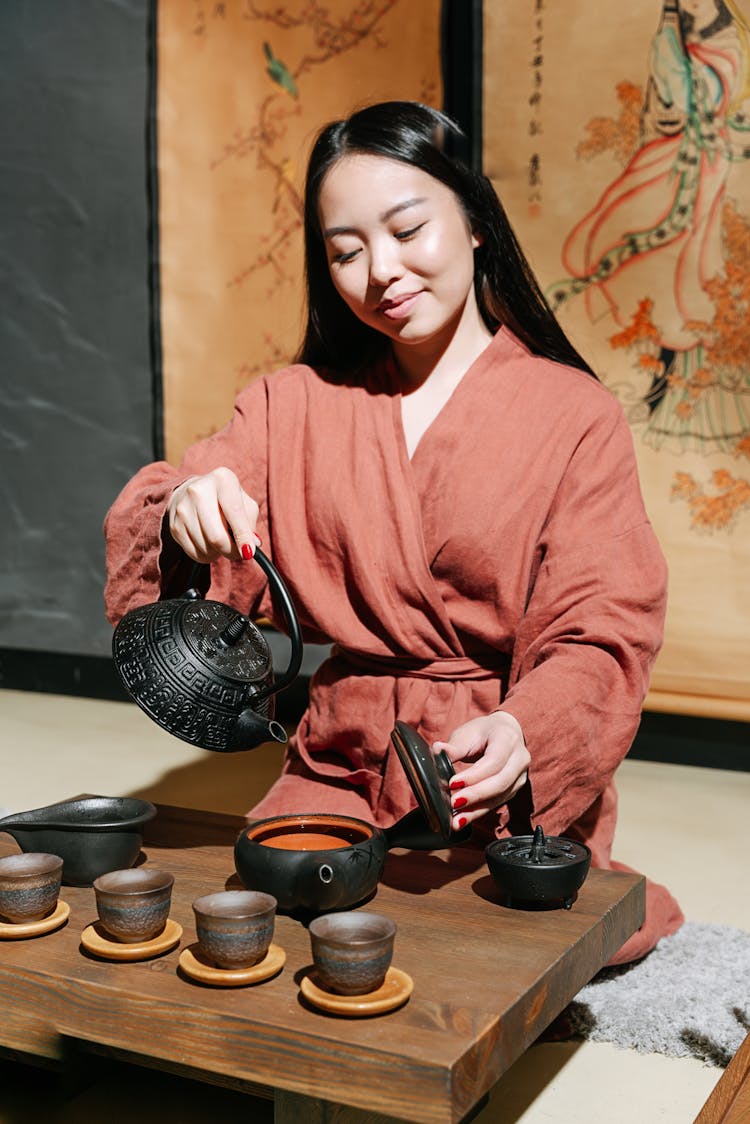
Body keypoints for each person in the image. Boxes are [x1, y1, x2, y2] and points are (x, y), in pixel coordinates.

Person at [104, 100, 683, 964]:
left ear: (476, 222)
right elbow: (185, 526)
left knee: (506, 949)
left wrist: (528, 729)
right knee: (277, 918)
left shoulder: (576, 415)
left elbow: (603, 624)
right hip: (343, 763)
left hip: (495, 773)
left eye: (409, 230)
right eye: (345, 251)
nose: (382, 271)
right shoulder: (289, 405)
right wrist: (187, 512)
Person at [549, 0, 750, 452]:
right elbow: (664, 104)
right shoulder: (673, 36)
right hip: (677, 164)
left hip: (713, 173)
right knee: (631, 255)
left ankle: (684, 398)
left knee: (698, 283)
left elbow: (730, 101)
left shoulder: (727, 39)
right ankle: (653, 390)